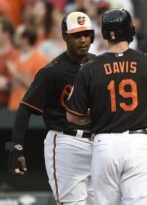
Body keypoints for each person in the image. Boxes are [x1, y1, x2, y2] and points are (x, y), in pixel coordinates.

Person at [66, 9, 147, 205]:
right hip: (138, 143)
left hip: (104, 144)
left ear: (104, 33)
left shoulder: (89, 68)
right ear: (130, 32)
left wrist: (101, 118)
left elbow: (72, 117)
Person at [6, 11, 96, 205]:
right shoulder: (52, 71)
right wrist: (16, 147)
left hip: (98, 144)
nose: (83, 40)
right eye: (76, 35)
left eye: (86, 34)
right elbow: (24, 108)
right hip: (66, 142)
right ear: (65, 37)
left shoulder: (98, 65)